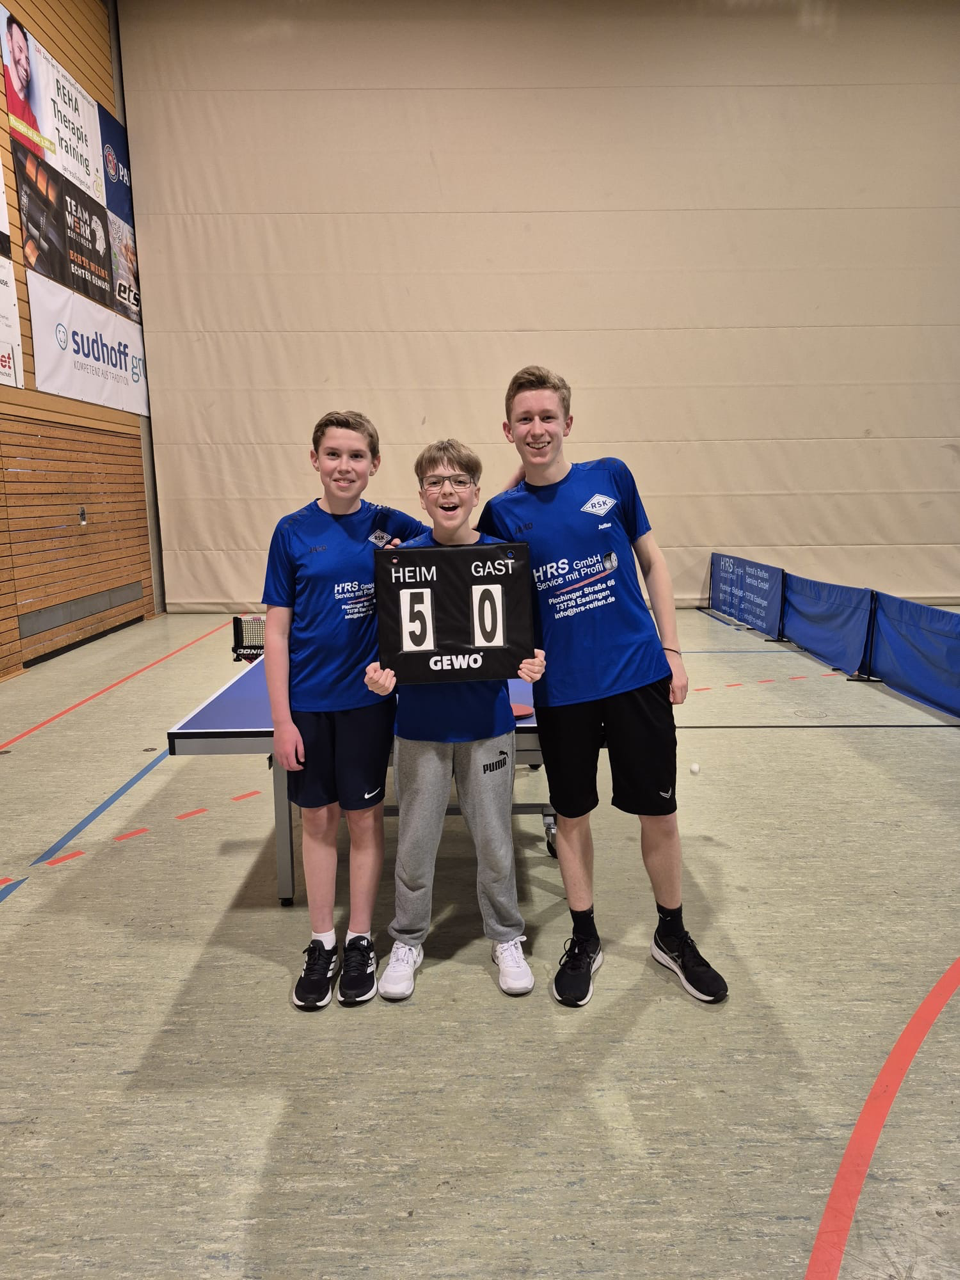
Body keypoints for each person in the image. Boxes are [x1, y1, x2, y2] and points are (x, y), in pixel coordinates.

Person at [477, 367, 728, 1009]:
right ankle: (584, 936)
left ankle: (671, 934)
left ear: (568, 422)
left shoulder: (611, 476)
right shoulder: (502, 512)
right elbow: (484, 583)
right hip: (563, 691)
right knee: (571, 815)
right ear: (507, 430)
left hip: (638, 675)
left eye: (547, 417)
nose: (538, 429)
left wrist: (672, 650)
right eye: (524, 419)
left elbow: (654, 561)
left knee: (659, 812)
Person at [364, 439, 546, 1001]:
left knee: (494, 840)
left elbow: (522, 638)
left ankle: (506, 936)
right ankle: (407, 939)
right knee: (416, 842)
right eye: (436, 482)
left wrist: (532, 662)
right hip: (420, 726)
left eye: (459, 481)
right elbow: (385, 646)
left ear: (475, 493)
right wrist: (380, 676)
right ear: (422, 496)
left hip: (487, 723)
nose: (448, 491)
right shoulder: (400, 561)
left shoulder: (504, 558)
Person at [262, 410, 427, 1011]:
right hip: (307, 706)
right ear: (315, 460)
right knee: (315, 820)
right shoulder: (291, 532)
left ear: (374, 464)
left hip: (367, 706)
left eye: (357, 455)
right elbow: (276, 632)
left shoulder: (391, 525)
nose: (344, 466)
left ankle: (359, 939)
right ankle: (321, 941)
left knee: (363, 820)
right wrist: (282, 720)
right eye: (333, 454)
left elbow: (459, 527)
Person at [4, 15, 42, 157]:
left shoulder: (32, 122)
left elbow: (39, 164)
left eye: (28, 59)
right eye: (20, 49)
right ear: (9, 42)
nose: (25, 65)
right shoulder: (2, 79)